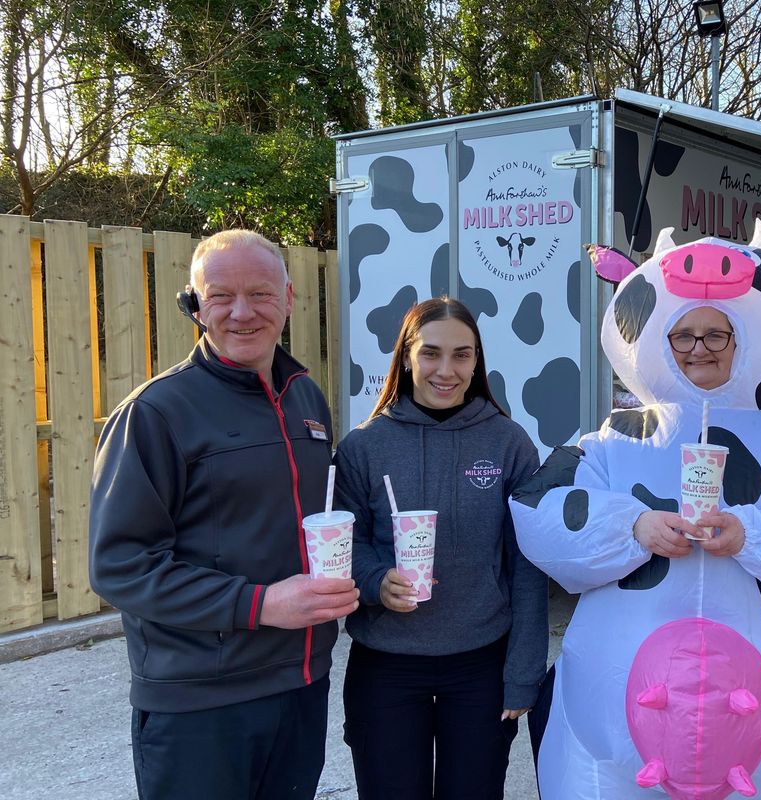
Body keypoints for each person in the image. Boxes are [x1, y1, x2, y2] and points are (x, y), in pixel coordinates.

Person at [511, 223, 761, 799]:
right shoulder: (615, 437)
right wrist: (633, 527)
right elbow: (538, 509)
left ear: (743, 341)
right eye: (683, 335)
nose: (698, 348)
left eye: (717, 334)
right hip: (615, 718)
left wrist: (754, 535)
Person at [89, 229, 360, 800]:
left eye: (260, 293)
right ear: (195, 304)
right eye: (221, 296)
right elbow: (120, 565)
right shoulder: (155, 413)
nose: (242, 312)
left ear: (288, 298)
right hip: (200, 706)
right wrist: (260, 605)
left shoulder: (306, 398)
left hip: (302, 685)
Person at [333, 297, 547, 800]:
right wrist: (375, 580)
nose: (446, 370)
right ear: (406, 357)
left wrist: (523, 673)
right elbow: (347, 541)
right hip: (385, 665)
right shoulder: (364, 446)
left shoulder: (509, 444)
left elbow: (527, 566)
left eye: (461, 355)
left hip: (480, 665)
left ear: (477, 362)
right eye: (430, 353)